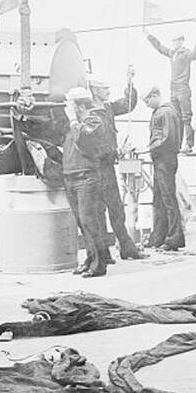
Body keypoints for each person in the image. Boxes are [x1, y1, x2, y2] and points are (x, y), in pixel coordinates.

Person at [89, 68, 144, 261]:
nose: (108, 91)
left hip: (107, 165)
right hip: (97, 167)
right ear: (95, 90)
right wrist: (117, 152)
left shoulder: (108, 108)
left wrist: (129, 83)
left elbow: (128, 104)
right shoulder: (90, 113)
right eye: (105, 88)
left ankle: (125, 248)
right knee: (99, 210)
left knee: (115, 208)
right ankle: (104, 253)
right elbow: (96, 145)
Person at [60, 88, 113, 278]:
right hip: (71, 176)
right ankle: (90, 259)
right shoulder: (74, 124)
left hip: (86, 177)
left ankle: (99, 264)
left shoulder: (94, 121)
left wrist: (73, 120)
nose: (67, 109)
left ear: (80, 105)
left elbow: (84, 140)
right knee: (82, 223)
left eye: (70, 105)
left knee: (90, 221)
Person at [144, 28, 196, 156]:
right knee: (176, 117)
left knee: (186, 117)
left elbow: (195, 55)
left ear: (182, 41)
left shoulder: (185, 53)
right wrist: (149, 36)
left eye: (177, 41)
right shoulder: (173, 53)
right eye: (173, 41)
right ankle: (178, 144)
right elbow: (160, 48)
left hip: (182, 88)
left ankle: (188, 144)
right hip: (174, 89)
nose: (174, 43)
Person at [142, 85, 185, 251]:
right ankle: (158, 237)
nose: (146, 104)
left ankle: (174, 238)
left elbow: (168, 139)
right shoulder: (160, 112)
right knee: (159, 200)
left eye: (147, 100)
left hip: (165, 160)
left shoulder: (166, 112)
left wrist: (147, 149)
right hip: (160, 160)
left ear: (155, 96)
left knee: (168, 199)